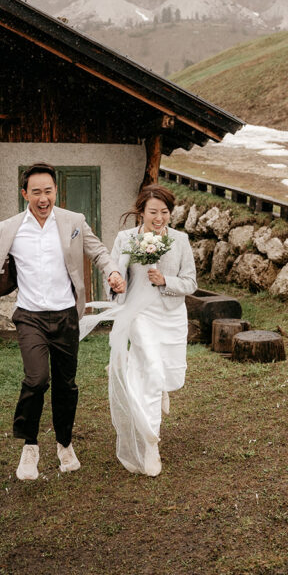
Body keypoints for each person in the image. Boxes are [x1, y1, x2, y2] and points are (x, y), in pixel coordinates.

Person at [0, 163, 126, 482]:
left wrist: (111, 272)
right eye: (36, 192)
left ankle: (64, 444)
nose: (43, 198)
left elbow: (99, 252)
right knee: (36, 379)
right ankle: (30, 446)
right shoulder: (9, 229)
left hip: (66, 316)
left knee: (66, 385)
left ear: (55, 191)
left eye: (48, 191)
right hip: (29, 317)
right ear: (24, 194)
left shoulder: (74, 222)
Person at [80, 185, 196, 477]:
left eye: (164, 212)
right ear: (141, 212)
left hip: (170, 316)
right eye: (153, 212)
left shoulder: (180, 240)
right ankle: (150, 443)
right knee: (153, 372)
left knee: (167, 374)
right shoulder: (126, 239)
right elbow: (114, 275)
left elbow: (190, 282)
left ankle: (154, 383)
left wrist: (165, 280)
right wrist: (115, 284)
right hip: (139, 315)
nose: (159, 218)